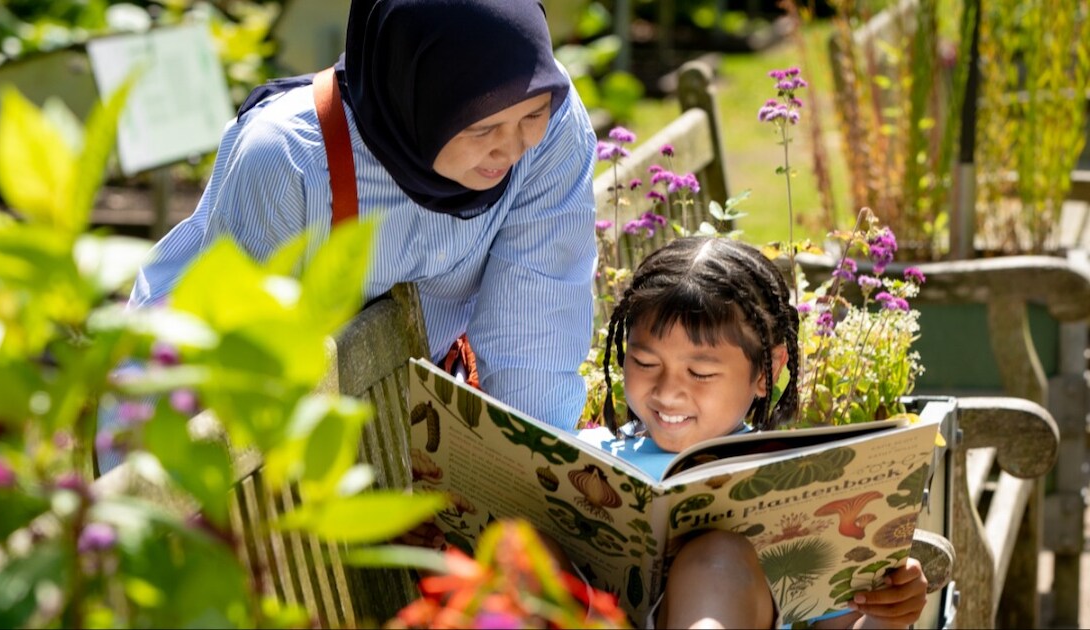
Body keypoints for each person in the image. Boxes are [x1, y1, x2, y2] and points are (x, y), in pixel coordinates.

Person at [97, 0, 598, 473]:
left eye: (530, 115)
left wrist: (530, 495)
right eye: (482, 128)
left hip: (374, 409)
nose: (513, 147)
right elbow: (234, 362)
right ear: (415, 94)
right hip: (187, 423)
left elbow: (535, 339)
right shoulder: (289, 159)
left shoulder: (552, 126)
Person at [575, 235, 929, 629]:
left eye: (700, 373)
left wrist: (889, 612)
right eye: (644, 362)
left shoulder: (803, 483)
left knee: (717, 559)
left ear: (766, 370)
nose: (668, 393)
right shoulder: (587, 456)